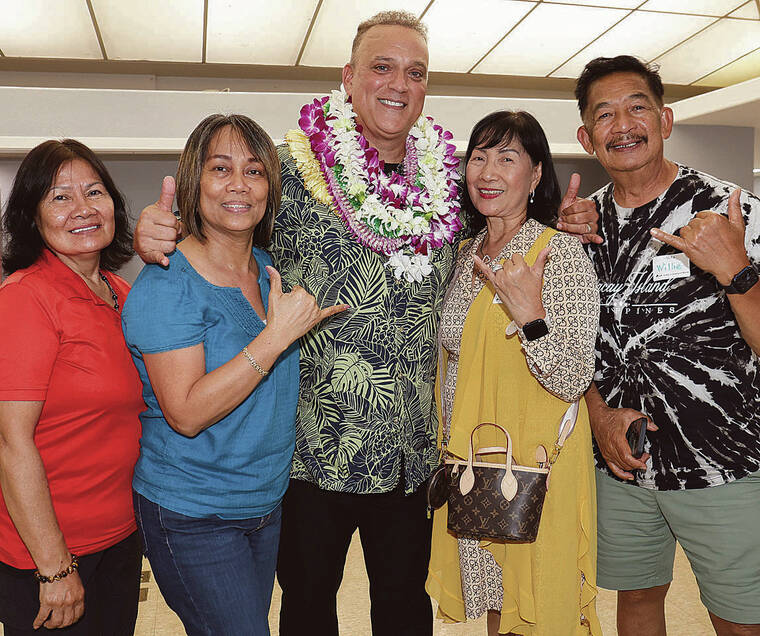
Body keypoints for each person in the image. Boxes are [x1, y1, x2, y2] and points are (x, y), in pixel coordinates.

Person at [132, 12, 600, 635]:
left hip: (414, 452)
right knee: (308, 608)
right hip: (309, 452)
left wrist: (567, 224)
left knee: (405, 611)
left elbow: (504, 220)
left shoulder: (448, 184)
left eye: (415, 72)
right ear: (348, 78)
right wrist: (153, 230)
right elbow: (223, 212)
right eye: (382, 67)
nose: (398, 84)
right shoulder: (288, 169)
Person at [121, 113, 345, 636]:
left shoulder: (267, 270)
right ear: (195, 180)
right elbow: (187, 412)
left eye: (254, 170)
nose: (240, 185)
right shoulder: (168, 284)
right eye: (221, 168)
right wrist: (274, 336)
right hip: (192, 512)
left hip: (263, 507)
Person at [575, 55, 760, 636]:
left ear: (666, 119)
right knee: (636, 599)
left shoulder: (734, 211)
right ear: (586, 136)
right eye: (605, 114)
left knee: (739, 619)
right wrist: (598, 416)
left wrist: (738, 272)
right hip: (623, 464)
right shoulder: (580, 230)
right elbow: (569, 346)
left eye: (637, 107)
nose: (623, 124)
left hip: (724, 464)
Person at [425, 111, 601, 636]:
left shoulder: (559, 252)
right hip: (478, 457)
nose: (488, 170)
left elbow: (571, 376)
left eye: (507, 157)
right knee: (501, 605)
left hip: (535, 466)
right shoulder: (464, 253)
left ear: (536, 174)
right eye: (479, 156)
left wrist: (530, 318)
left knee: (539, 604)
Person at [0, 140, 143, 635]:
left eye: (94, 191)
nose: (82, 209)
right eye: (60, 197)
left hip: (120, 536)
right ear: (31, 215)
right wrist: (55, 567)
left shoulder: (121, 292)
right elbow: (11, 442)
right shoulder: (25, 299)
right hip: (51, 552)